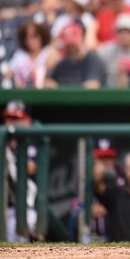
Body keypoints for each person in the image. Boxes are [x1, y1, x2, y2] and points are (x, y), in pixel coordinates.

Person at [3, 100, 37, 242]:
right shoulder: (3, 141)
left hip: (24, 207)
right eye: (9, 118)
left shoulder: (31, 142)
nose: (11, 123)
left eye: (16, 118)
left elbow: (31, 168)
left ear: (27, 120)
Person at [45, 23, 107, 88]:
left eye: (73, 45)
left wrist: (60, 87)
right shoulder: (64, 62)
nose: (71, 49)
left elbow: (92, 86)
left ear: (82, 41)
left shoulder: (93, 59)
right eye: (68, 46)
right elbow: (49, 83)